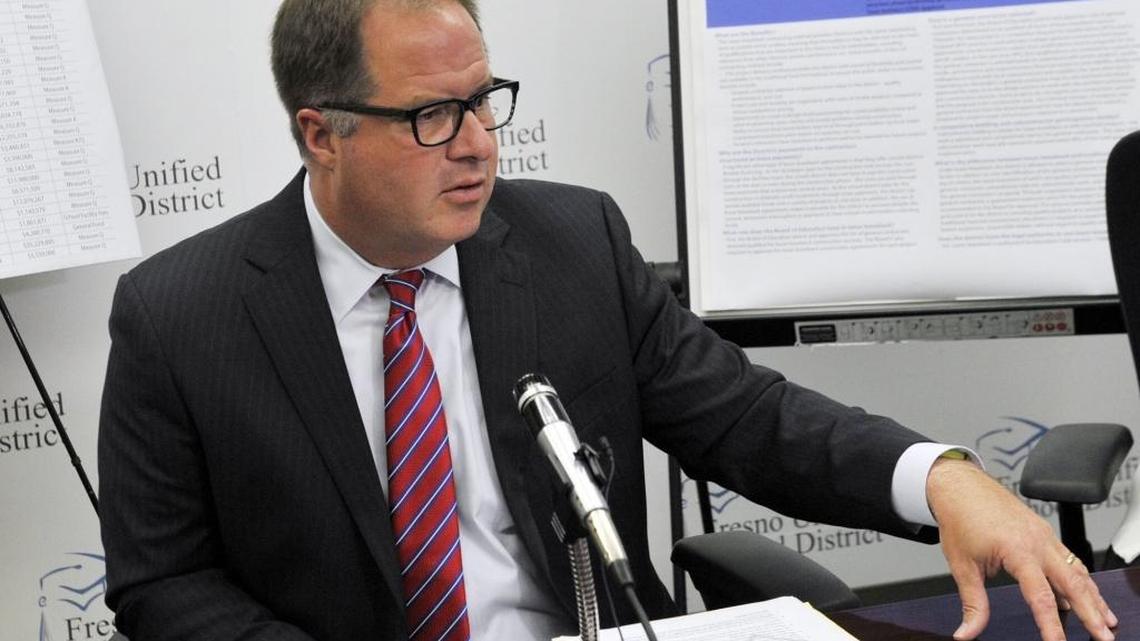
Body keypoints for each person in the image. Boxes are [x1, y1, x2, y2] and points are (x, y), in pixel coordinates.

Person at [96, 1, 1117, 640]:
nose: (478, 145)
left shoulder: (570, 241)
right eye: (430, 116)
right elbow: (165, 583)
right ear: (321, 133)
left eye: (483, 99)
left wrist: (940, 474)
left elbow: (746, 416)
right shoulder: (181, 313)